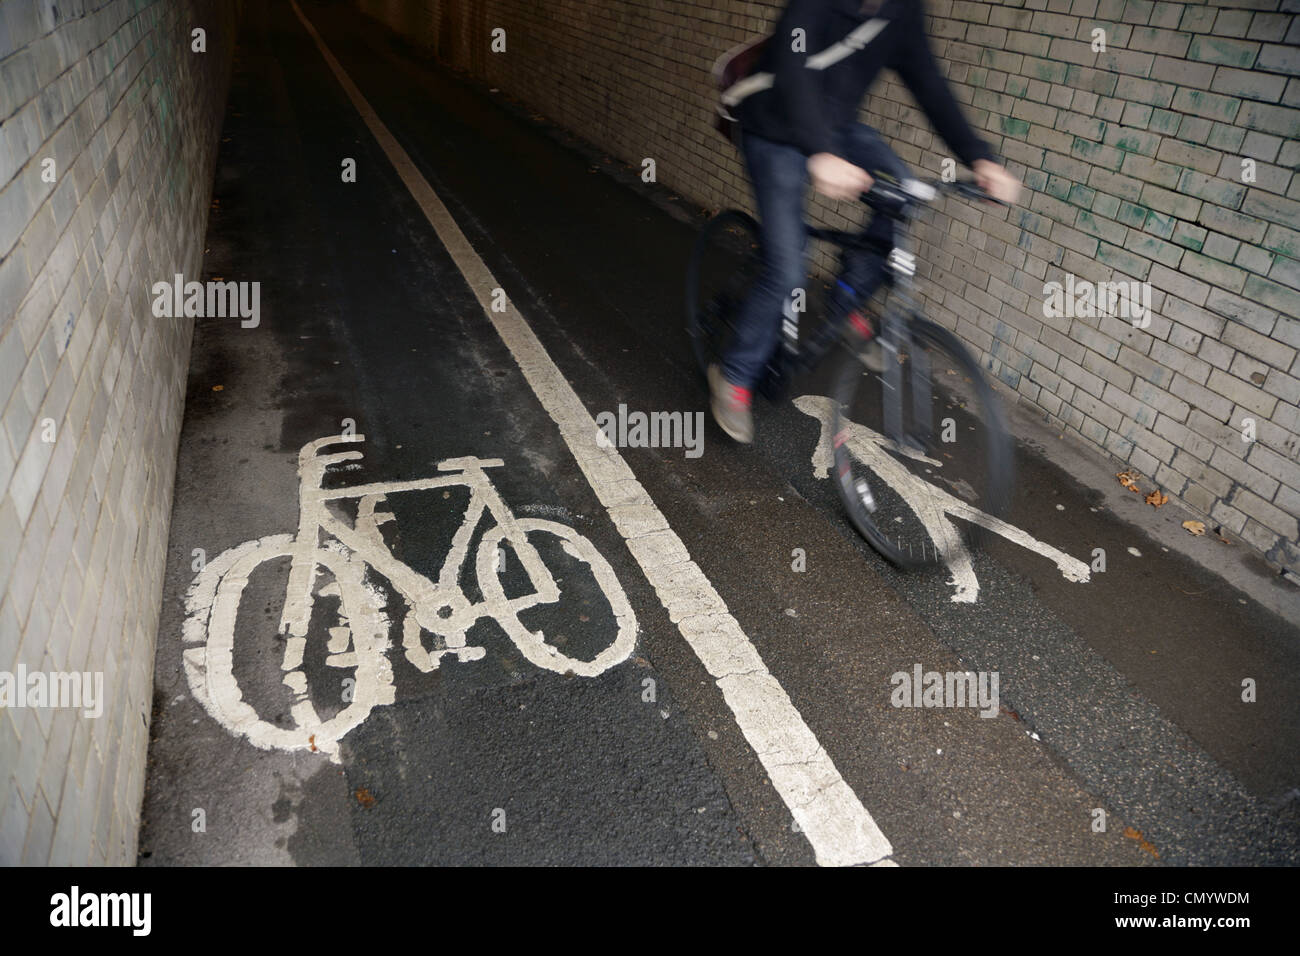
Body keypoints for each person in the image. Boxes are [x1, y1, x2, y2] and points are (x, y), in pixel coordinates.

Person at [711, 0, 1021, 443]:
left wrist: (980, 159)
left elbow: (928, 83)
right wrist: (819, 152)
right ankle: (734, 376)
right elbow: (792, 67)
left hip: (838, 130)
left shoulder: (902, 10)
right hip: (774, 128)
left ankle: (846, 298)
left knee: (904, 194)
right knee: (788, 266)